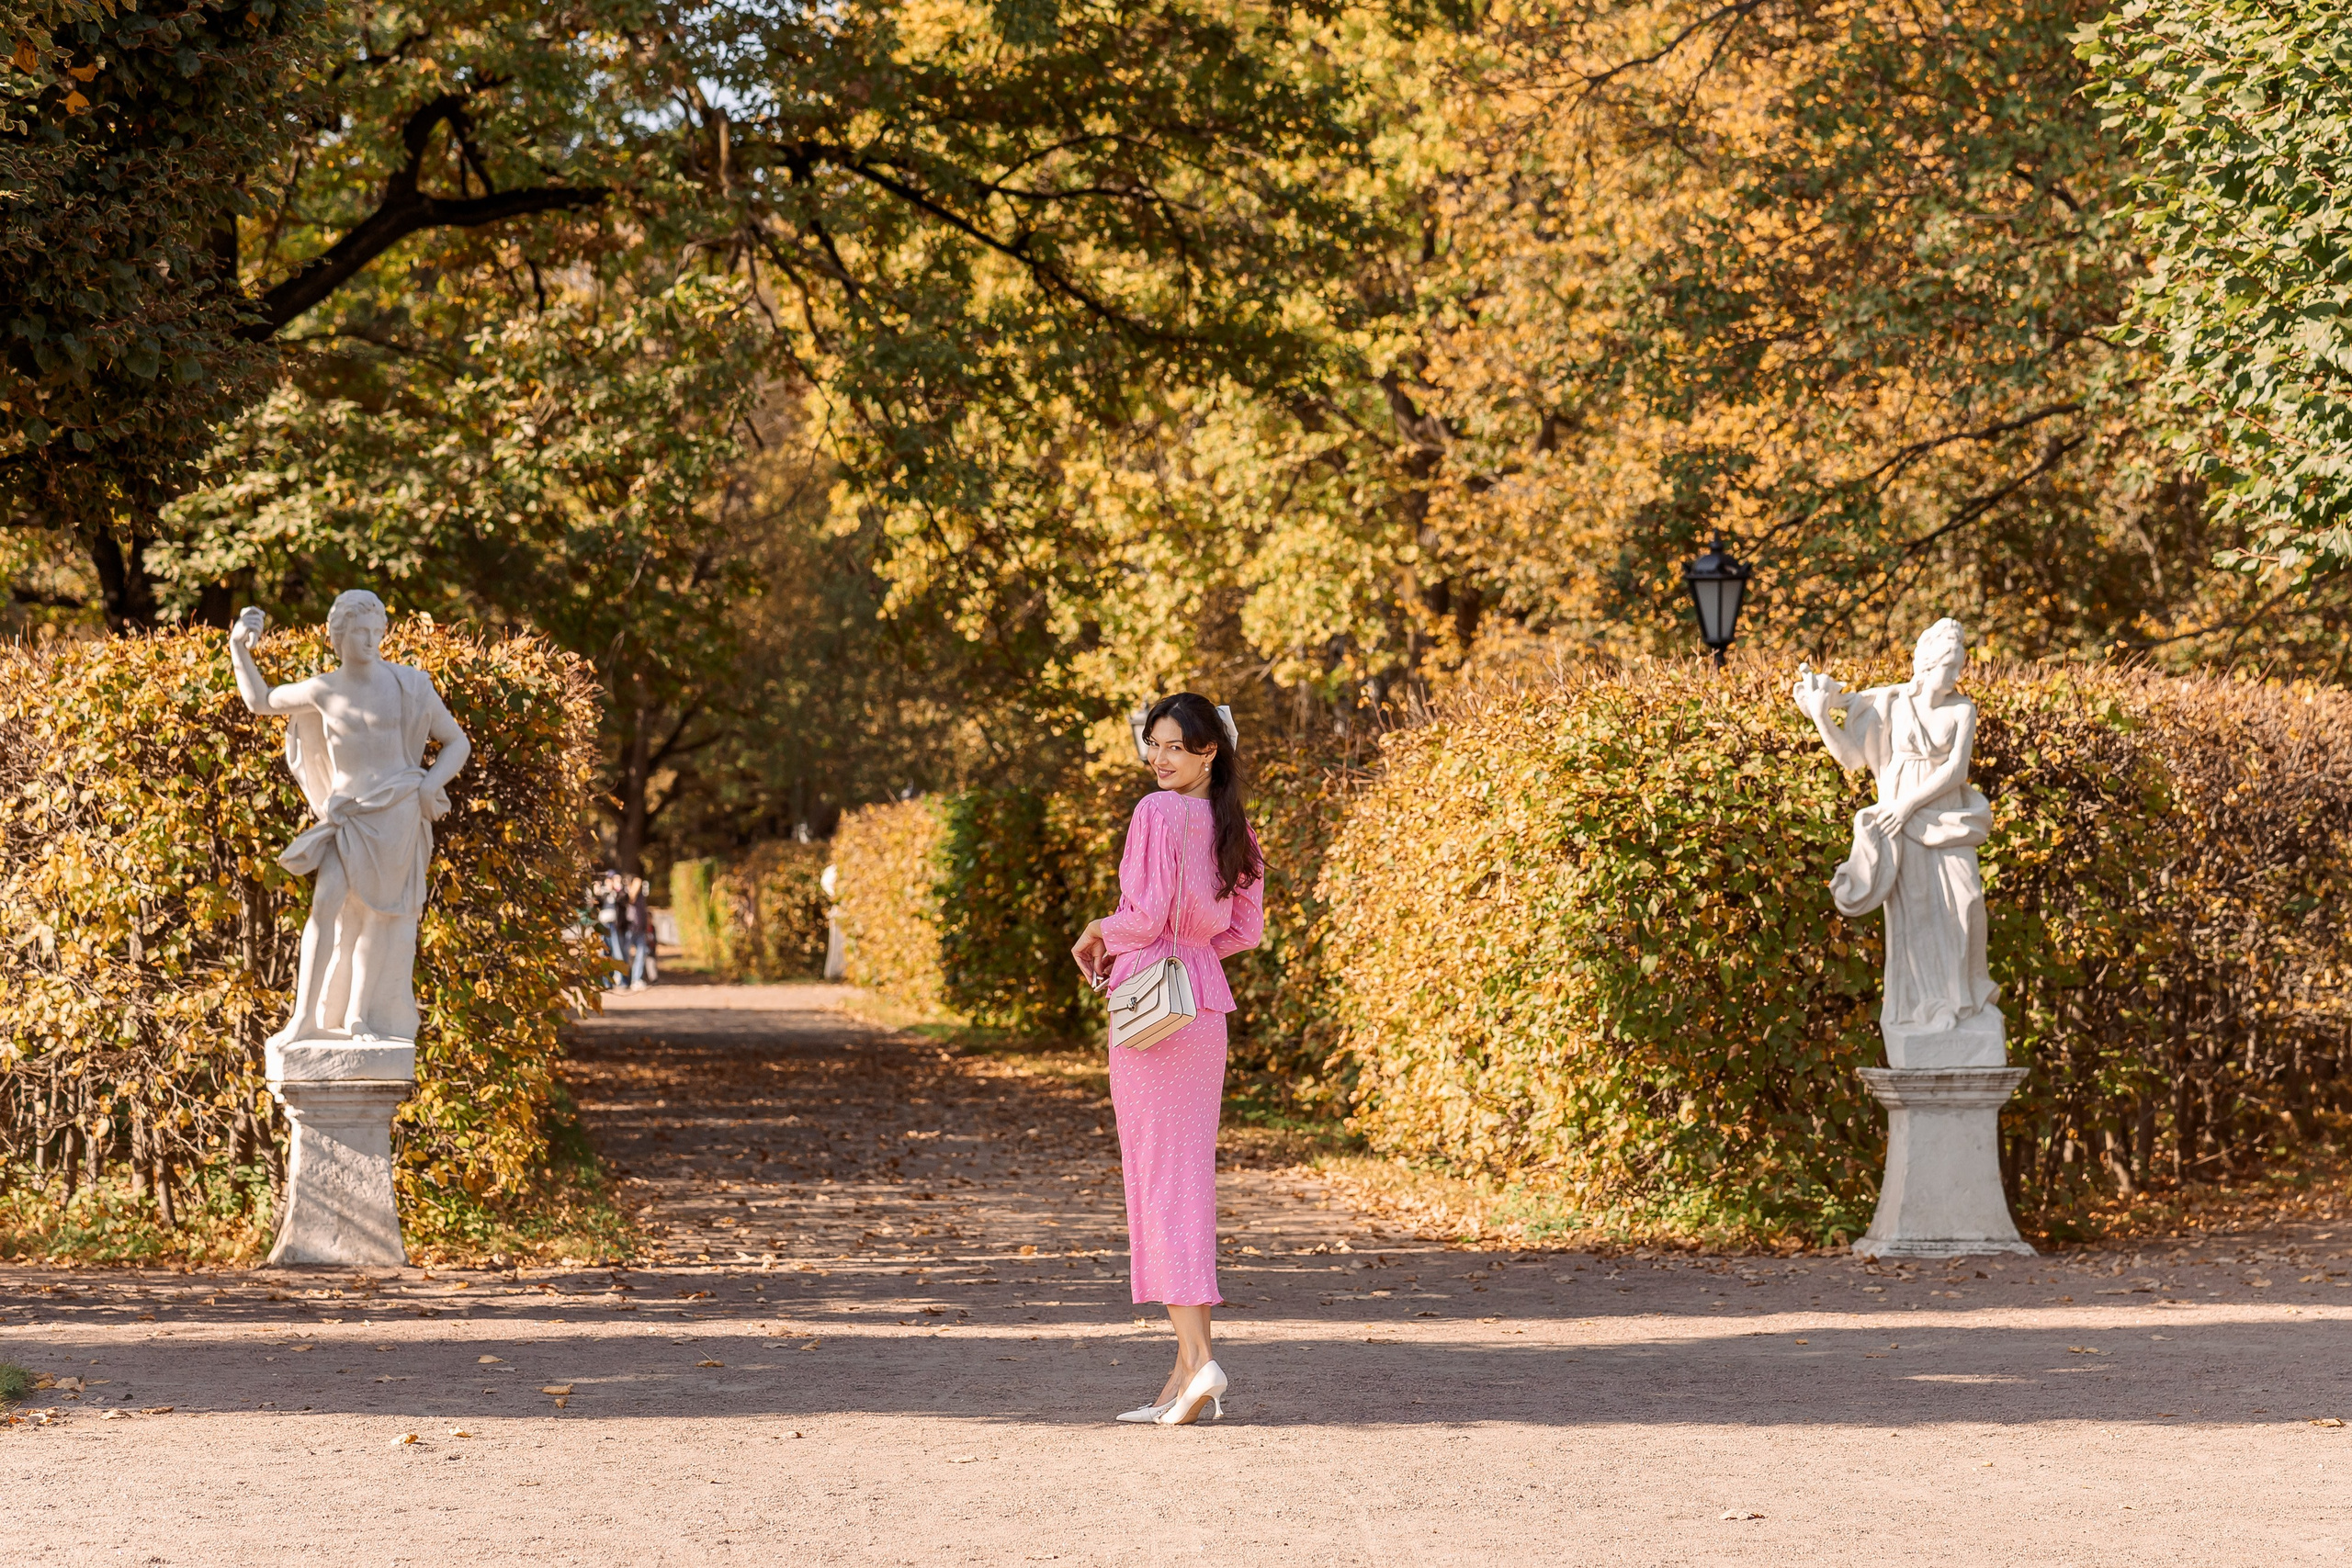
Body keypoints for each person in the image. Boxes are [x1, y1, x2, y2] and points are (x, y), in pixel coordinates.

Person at [1071, 692, 1264, 1426]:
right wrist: (1192, 950)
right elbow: (1244, 930)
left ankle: (1200, 1362)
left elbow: (1144, 916)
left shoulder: (1155, 815)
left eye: (1175, 746)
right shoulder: (1233, 824)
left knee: (1159, 1181)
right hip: (1203, 1007)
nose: (1158, 758)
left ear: (1209, 750)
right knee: (1187, 1179)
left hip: (1149, 1009)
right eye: (1152, 745)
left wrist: (1101, 925)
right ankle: (1185, 1371)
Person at [228, 592, 470, 1046]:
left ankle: (359, 1016)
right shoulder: (324, 689)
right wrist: (239, 647)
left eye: (378, 632)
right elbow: (260, 701)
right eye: (361, 632)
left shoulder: (410, 685)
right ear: (338, 635)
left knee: (379, 916)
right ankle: (304, 1017)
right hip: (349, 817)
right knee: (325, 905)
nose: (372, 640)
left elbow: (457, 742)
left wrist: (427, 785)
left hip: (396, 812)